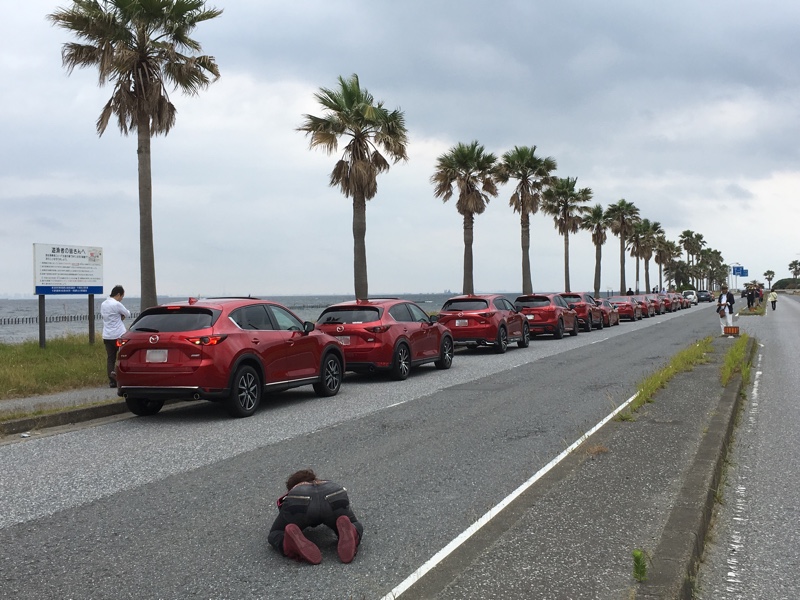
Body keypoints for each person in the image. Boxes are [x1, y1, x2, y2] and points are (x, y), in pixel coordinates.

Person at [268, 469, 363, 565]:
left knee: (276, 532)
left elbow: (276, 528)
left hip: (300, 500)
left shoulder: (295, 491)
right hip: (334, 493)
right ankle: (351, 531)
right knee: (353, 523)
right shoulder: (327, 483)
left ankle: (289, 543)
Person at [101, 285, 131, 388]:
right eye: (122, 296)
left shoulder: (103, 304)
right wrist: (121, 316)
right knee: (122, 357)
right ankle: (122, 378)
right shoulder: (117, 304)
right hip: (118, 335)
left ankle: (112, 380)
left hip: (107, 335)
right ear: (118, 294)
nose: (121, 299)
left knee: (110, 358)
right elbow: (127, 314)